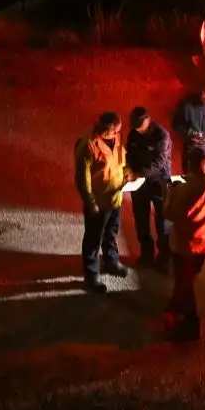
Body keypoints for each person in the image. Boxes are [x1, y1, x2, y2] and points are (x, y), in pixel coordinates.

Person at [164, 144, 205, 342]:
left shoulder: (182, 190)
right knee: (189, 277)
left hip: (185, 246)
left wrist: (169, 192)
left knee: (186, 282)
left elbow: (169, 213)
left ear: (189, 165)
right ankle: (173, 306)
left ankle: (190, 325)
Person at [74, 110, 128, 291]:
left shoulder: (115, 137)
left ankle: (111, 262)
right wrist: (91, 203)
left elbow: (120, 160)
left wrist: (127, 174)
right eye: (115, 131)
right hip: (99, 202)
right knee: (93, 239)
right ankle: (91, 276)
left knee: (111, 233)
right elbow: (83, 180)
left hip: (116, 197)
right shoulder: (88, 146)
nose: (117, 135)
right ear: (106, 130)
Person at [125, 105, 173, 267]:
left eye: (140, 126)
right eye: (135, 127)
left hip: (159, 183)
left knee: (163, 222)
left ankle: (164, 258)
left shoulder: (161, 136)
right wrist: (128, 169)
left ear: (148, 120)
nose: (137, 130)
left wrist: (139, 174)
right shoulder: (133, 134)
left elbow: (159, 162)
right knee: (141, 220)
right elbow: (129, 155)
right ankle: (146, 254)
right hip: (139, 186)